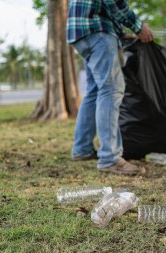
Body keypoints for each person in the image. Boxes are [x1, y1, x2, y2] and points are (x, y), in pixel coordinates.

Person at [66, 0, 153, 175]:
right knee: (111, 89)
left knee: (95, 91)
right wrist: (138, 26)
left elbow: (101, 7)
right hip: (96, 32)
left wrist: (119, 33)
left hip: (82, 32)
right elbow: (113, 2)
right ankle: (110, 158)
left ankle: (81, 149)